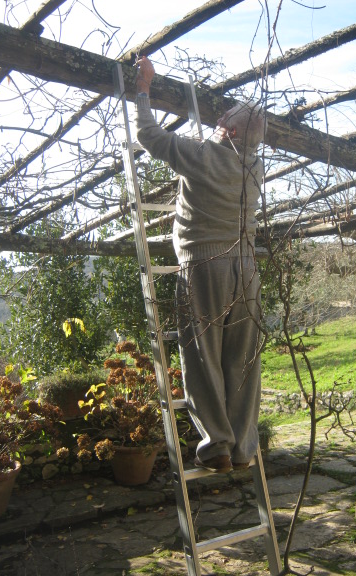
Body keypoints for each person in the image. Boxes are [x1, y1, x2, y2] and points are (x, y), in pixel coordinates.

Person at [135, 57, 266, 474]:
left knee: (202, 355)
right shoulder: (255, 166)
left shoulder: (201, 155)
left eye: (226, 118)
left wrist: (144, 88)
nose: (218, 119)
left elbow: (148, 134)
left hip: (205, 265)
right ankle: (243, 449)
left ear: (231, 132)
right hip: (246, 268)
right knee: (243, 360)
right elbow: (230, 137)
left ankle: (217, 448)